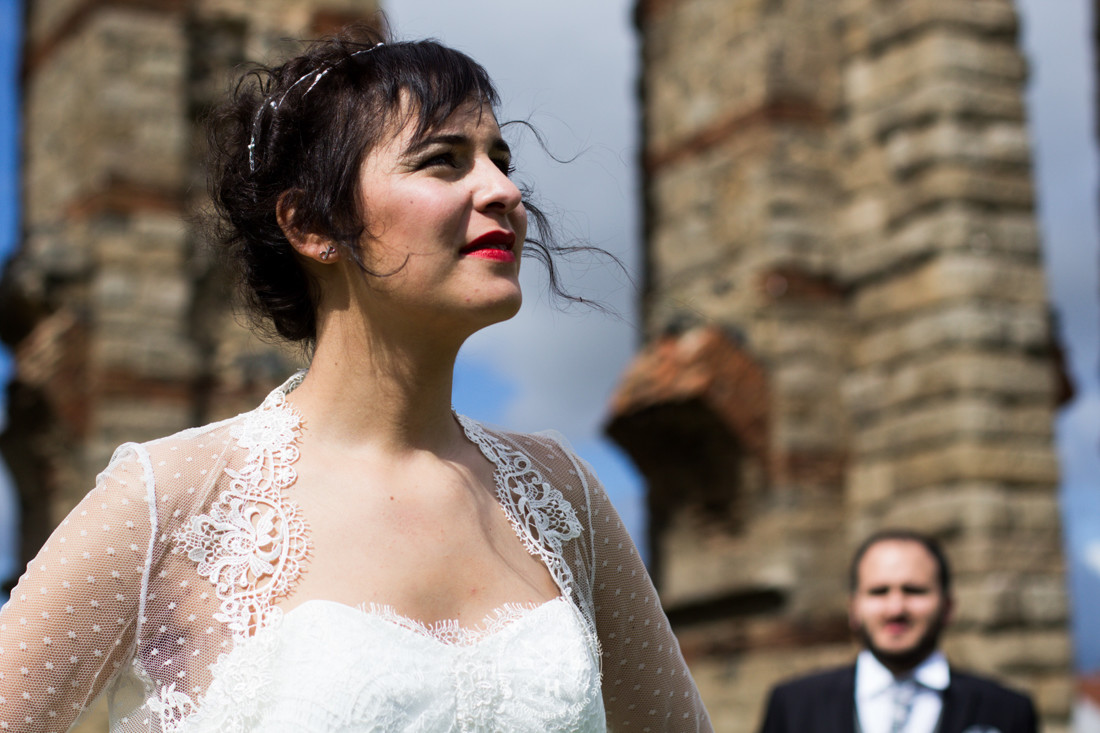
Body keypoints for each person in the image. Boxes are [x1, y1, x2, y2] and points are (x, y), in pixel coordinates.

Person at [0, 27, 712, 732]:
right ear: (313, 223)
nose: (503, 191)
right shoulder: (172, 497)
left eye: (500, 159)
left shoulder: (564, 499)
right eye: (443, 161)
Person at [758, 529, 1038, 733]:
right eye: (879, 592)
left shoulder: (1007, 710)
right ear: (854, 608)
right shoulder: (794, 705)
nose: (896, 608)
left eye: (914, 591)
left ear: (948, 606)